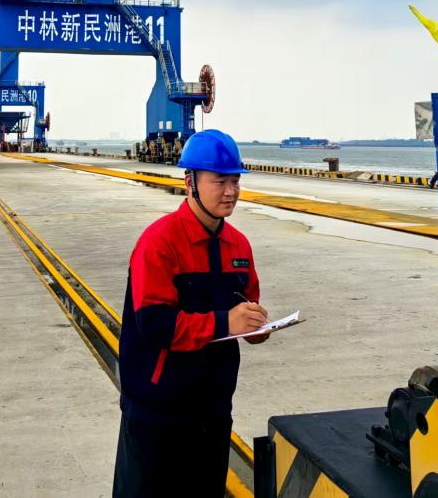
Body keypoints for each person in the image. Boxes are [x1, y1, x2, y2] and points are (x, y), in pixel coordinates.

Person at [113, 129, 270, 498]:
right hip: (157, 412)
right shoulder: (159, 242)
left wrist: (254, 327)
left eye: (235, 181)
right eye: (220, 181)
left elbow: (246, 307)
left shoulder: (239, 246)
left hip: (213, 410)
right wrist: (225, 322)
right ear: (190, 183)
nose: (231, 191)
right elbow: (154, 325)